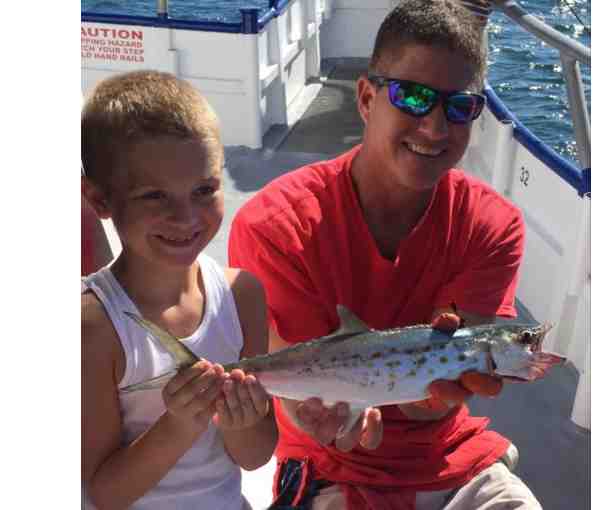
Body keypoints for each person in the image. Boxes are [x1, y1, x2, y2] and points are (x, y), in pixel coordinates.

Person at [228, 1, 542, 509]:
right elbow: (297, 382)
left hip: (452, 458)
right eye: (413, 97)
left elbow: (426, 405)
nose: (435, 128)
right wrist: (316, 416)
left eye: (459, 107)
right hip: (328, 465)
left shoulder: (493, 224)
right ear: (367, 98)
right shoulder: (275, 225)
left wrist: (437, 395)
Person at [81, 70, 277, 510]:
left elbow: (255, 455)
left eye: (204, 189)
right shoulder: (92, 327)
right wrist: (179, 426)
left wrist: (241, 421)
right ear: (100, 201)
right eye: (155, 196)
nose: (186, 217)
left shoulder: (242, 295)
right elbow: (104, 493)